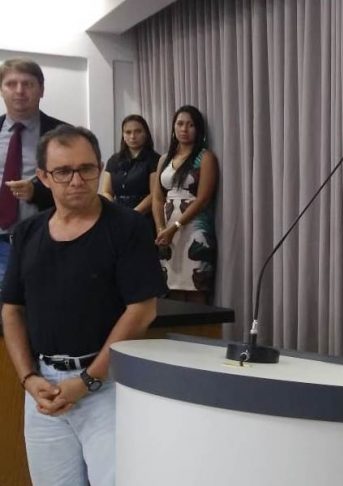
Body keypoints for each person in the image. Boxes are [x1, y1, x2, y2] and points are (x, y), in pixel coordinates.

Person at [1, 125, 167, 485]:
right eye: (63, 171)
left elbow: (142, 310)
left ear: (99, 167)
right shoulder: (28, 233)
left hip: (107, 387)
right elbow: (12, 309)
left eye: (86, 169)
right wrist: (28, 378)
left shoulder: (128, 228)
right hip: (44, 389)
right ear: (44, 177)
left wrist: (88, 380)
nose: (76, 180)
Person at [0, 58, 68, 282]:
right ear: (1, 89)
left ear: (41, 90)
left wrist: (35, 192)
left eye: (28, 84)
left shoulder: (63, 134)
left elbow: (75, 186)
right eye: (11, 84)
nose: (19, 91)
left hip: (44, 238)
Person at [152, 105, 218, 303]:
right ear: (173, 127)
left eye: (190, 125)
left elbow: (203, 199)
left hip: (194, 229)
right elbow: (157, 197)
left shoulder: (205, 157)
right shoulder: (164, 159)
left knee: (196, 287)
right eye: (180, 124)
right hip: (168, 233)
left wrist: (175, 226)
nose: (184, 129)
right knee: (172, 288)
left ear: (198, 129)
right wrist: (161, 228)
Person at [100, 114, 160, 222]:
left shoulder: (155, 159)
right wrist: (114, 211)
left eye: (138, 131)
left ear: (146, 133)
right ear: (123, 135)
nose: (132, 136)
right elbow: (106, 191)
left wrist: (132, 214)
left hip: (143, 217)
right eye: (128, 132)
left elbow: (154, 194)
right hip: (117, 215)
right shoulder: (114, 160)